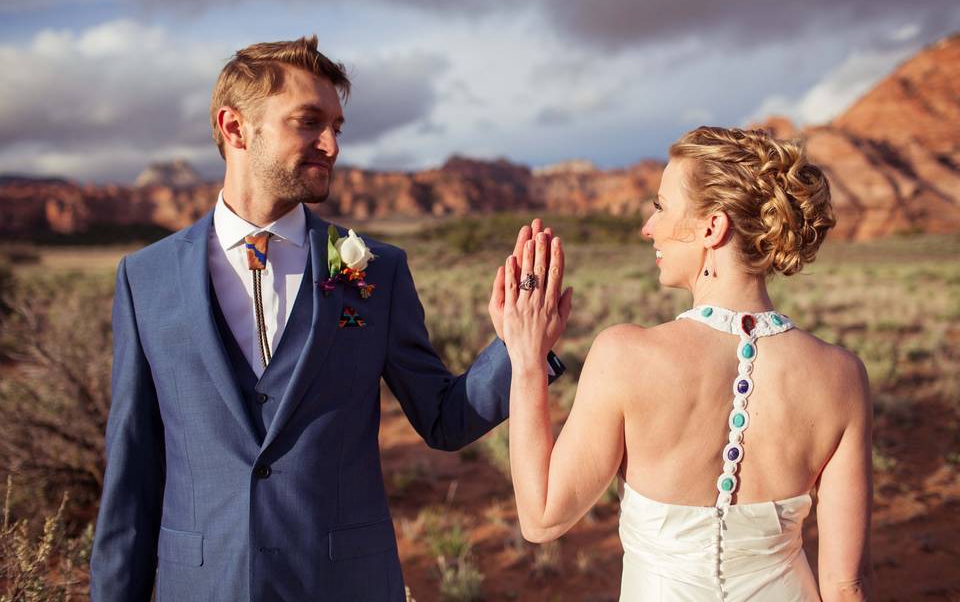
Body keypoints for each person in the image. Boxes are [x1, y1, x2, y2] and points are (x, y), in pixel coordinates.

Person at [89, 35, 562, 601]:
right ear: (236, 128)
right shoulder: (147, 279)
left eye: (337, 126)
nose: (332, 145)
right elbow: (133, 472)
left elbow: (444, 420)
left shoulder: (375, 269)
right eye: (309, 122)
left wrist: (520, 348)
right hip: (202, 584)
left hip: (344, 584)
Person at [500, 126, 873, 601]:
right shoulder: (841, 376)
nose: (647, 227)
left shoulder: (624, 356)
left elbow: (542, 517)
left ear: (712, 228)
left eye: (661, 207)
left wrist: (527, 358)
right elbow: (848, 586)